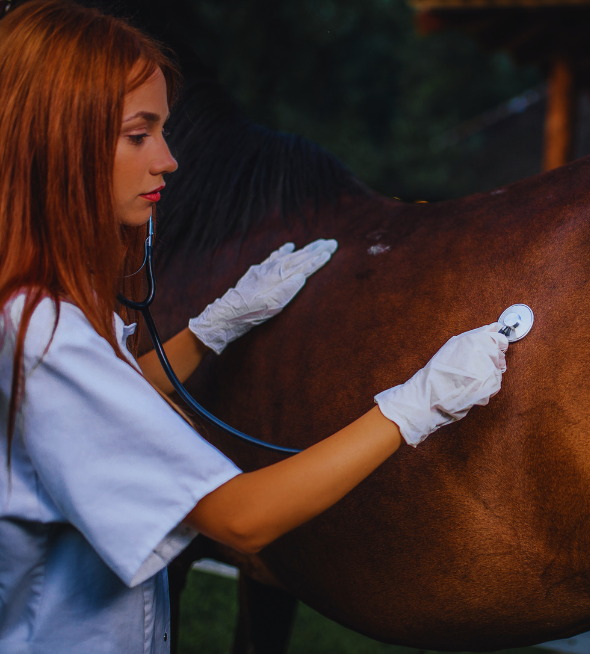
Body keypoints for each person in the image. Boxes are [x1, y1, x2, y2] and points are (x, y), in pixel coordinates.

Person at [0, 2, 509, 653]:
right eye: (139, 134)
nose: (169, 161)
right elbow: (240, 518)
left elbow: (107, 402)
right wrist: (415, 404)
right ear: (57, 143)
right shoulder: (41, 330)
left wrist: (217, 325)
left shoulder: (45, 310)